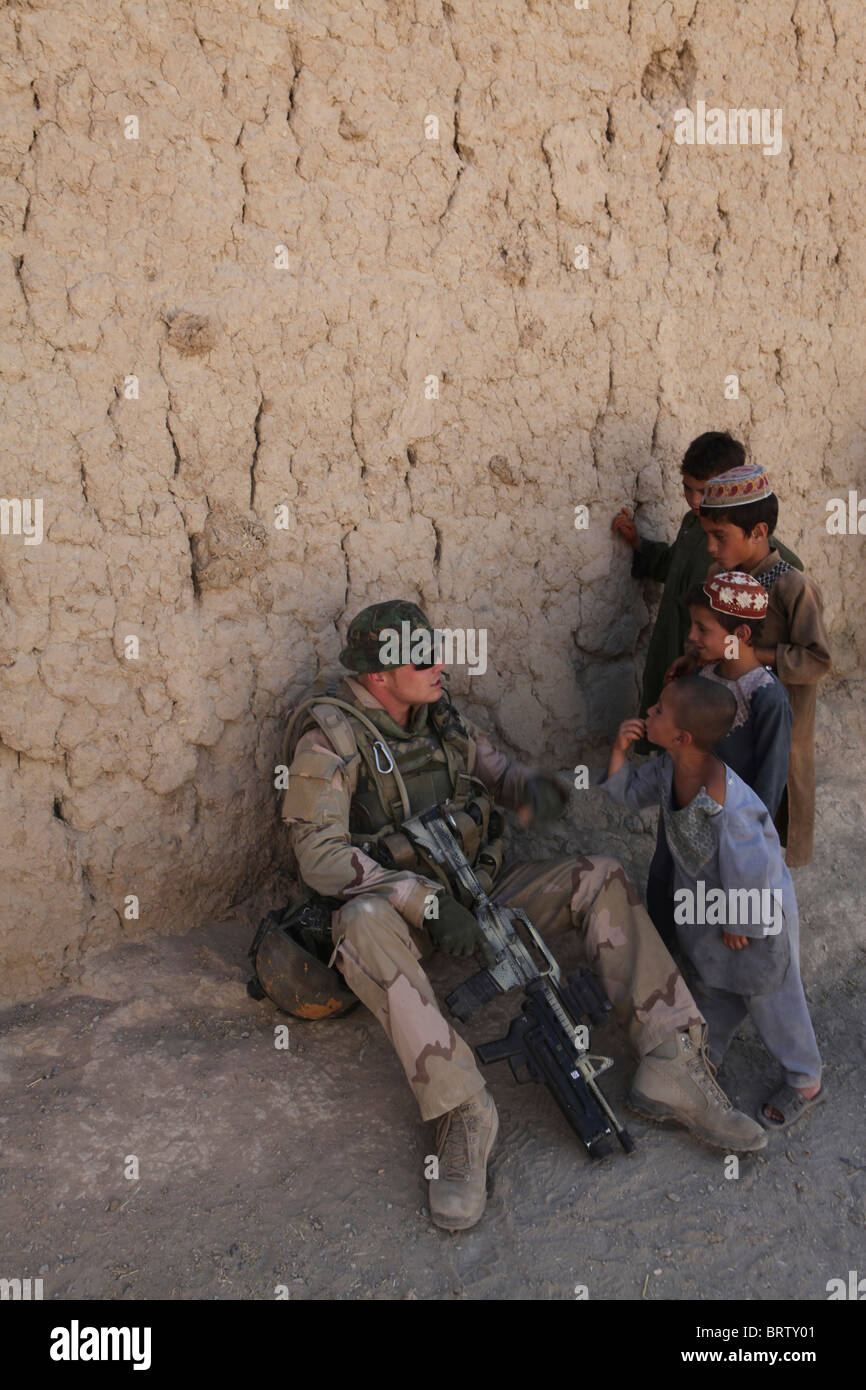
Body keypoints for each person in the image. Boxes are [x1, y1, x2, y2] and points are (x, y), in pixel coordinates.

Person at [280, 600, 768, 1234]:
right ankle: (463, 1111)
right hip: (402, 913)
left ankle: (671, 1059)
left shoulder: (439, 714)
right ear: (379, 676)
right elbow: (318, 856)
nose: (442, 665)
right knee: (361, 923)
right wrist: (423, 903)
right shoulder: (330, 738)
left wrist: (534, 789)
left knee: (600, 876)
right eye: (424, 658)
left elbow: (496, 773)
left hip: (477, 886)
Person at [600, 676, 823, 1132]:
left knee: (770, 995)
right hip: (710, 914)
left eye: (659, 710)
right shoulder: (669, 769)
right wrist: (619, 753)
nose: (650, 712)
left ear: (682, 737)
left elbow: (756, 864)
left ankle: (804, 1078)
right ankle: (705, 1059)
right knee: (714, 987)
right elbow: (628, 793)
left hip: (755, 915)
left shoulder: (729, 803)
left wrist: (740, 919)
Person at [668, 463, 832, 866]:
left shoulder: (794, 588)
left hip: (778, 729)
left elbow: (817, 659)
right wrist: (693, 658)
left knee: (764, 821)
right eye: (707, 535)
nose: (710, 547)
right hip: (726, 729)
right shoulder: (717, 576)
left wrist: (751, 656)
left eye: (719, 536)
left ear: (758, 532)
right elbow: (710, 633)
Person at [611, 431, 801, 753]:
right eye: (688, 488)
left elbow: (784, 569)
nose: (697, 501)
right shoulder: (692, 523)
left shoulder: (747, 548)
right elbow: (674, 566)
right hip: (677, 650)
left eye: (705, 490)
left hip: (711, 665)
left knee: (696, 740)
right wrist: (639, 544)